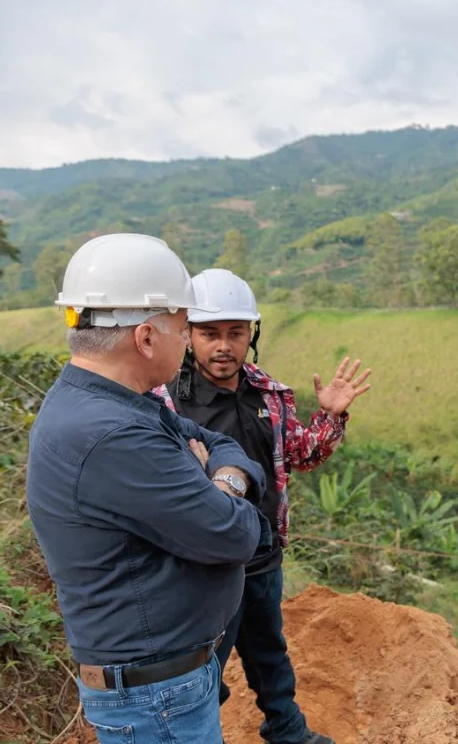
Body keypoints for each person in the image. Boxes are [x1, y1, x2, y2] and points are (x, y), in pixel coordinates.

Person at [26, 234, 275, 744]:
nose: (188, 342)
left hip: (164, 684)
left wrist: (220, 477)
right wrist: (232, 498)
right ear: (145, 337)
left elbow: (219, 444)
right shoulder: (112, 433)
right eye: (185, 329)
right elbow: (234, 536)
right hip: (156, 699)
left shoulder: (113, 403)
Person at [152, 268, 371, 744]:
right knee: (204, 661)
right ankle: (198, 733)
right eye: (210, 334)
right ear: (188, 333)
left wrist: (330, 415)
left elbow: (299, 455)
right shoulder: (166, 402)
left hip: (264, 552)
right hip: (206, 563)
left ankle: (287, 730)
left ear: (251, 333)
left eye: (235, 333)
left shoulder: (268, 393)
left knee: (269, 650)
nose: (223, 346)